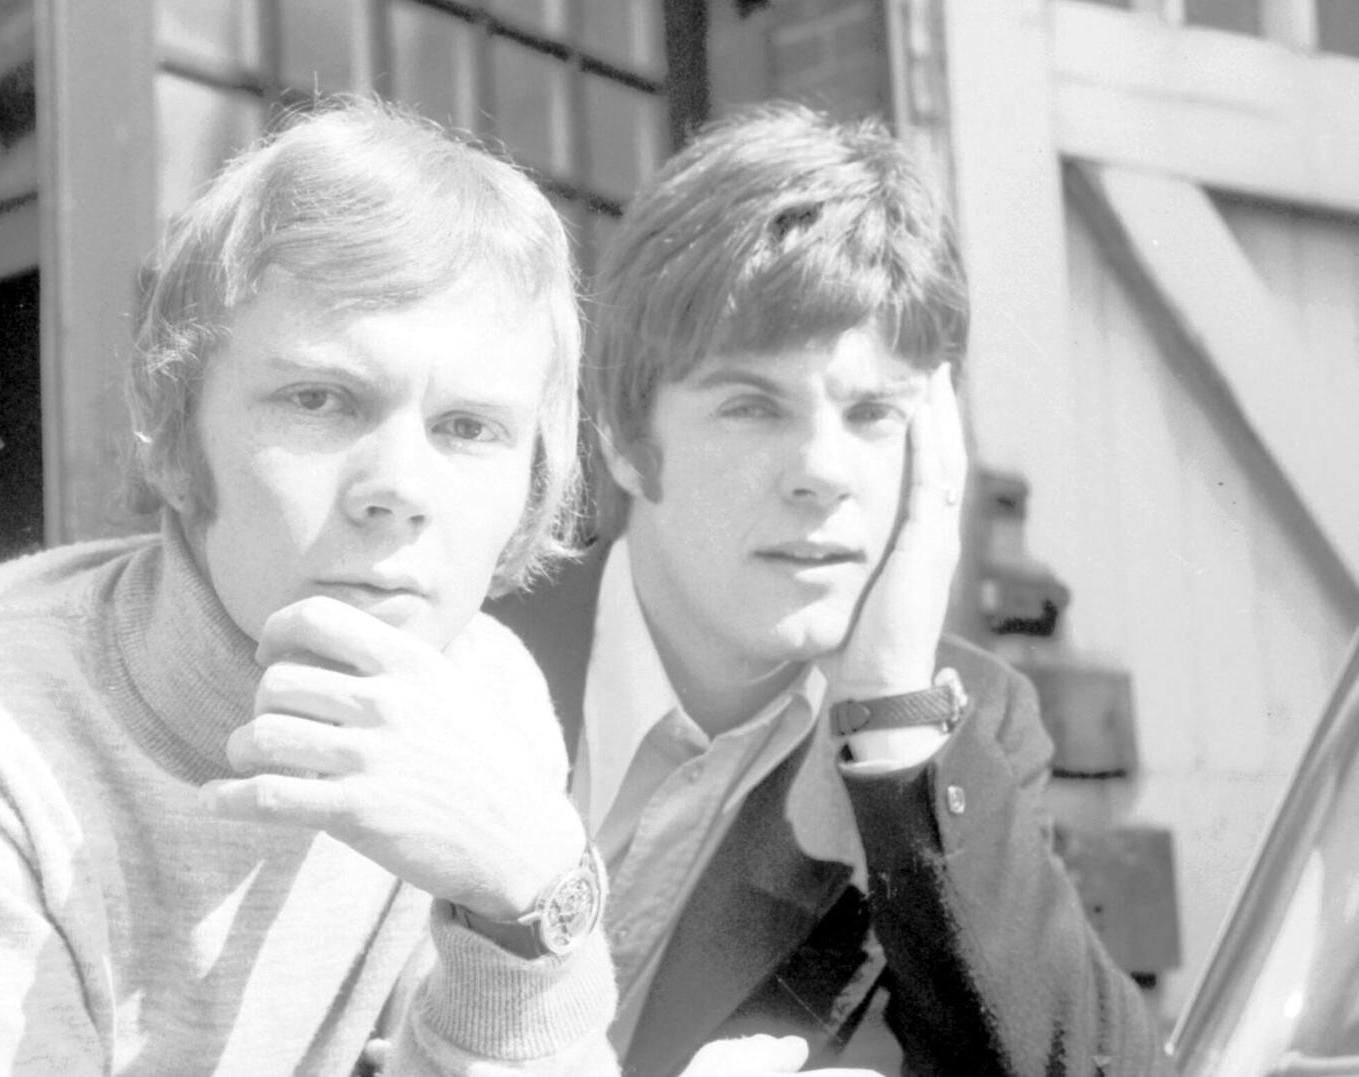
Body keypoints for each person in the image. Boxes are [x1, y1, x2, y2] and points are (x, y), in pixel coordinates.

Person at [0, 98, 618, 1076]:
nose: (399, 489)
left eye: (470, 429)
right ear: (176, 430)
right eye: (319, 400)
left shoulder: (481, 706)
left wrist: (536, 898)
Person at [491, 104, 1172, 1076]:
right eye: (751, 405)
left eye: (872, 414)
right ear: (625, 439)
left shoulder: (951, 734)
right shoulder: (464, 653)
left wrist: (891, 709)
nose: (822, 471)